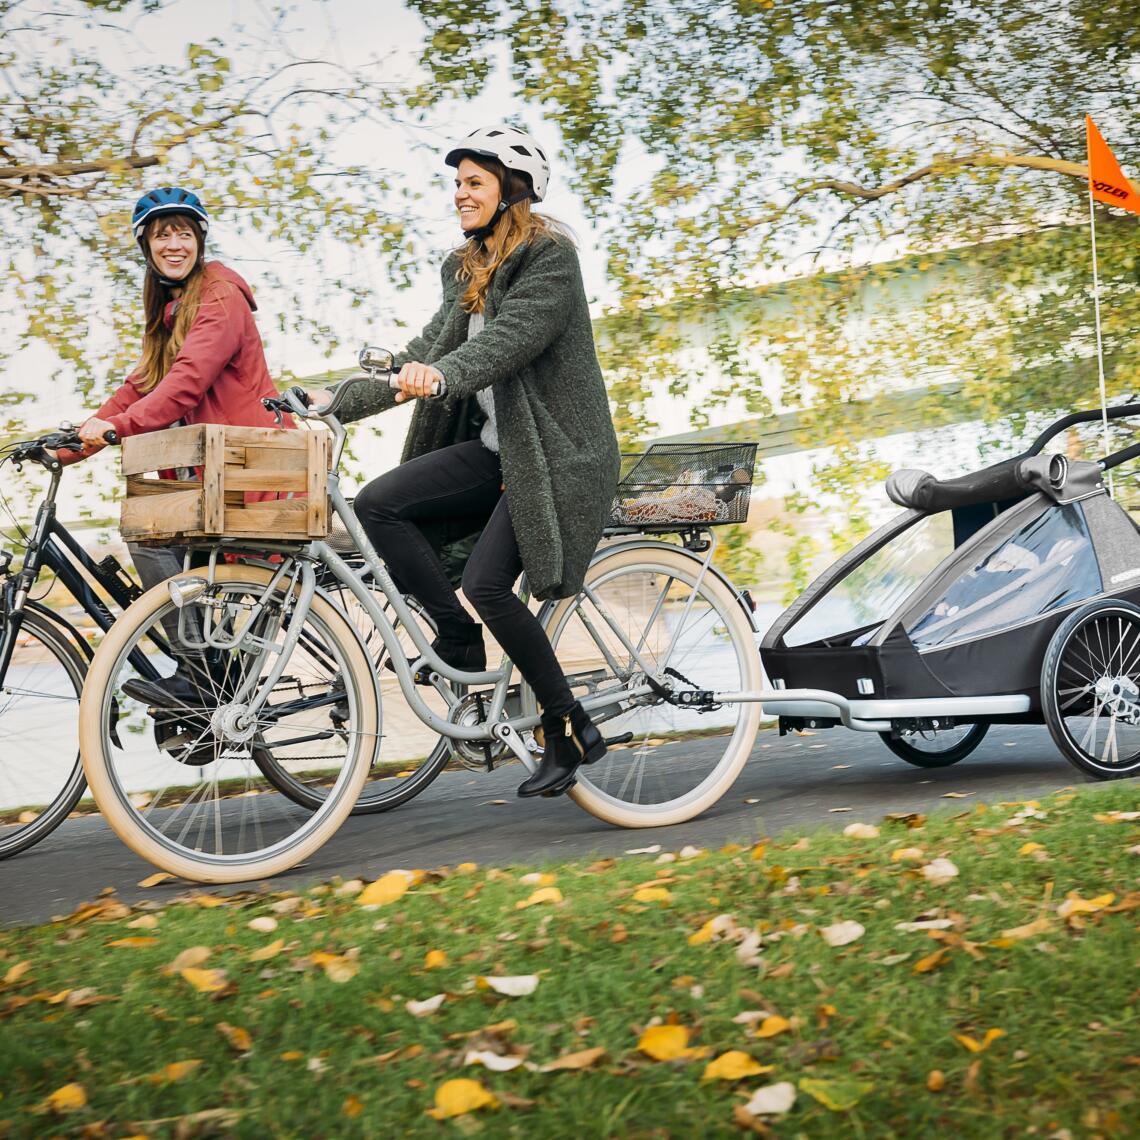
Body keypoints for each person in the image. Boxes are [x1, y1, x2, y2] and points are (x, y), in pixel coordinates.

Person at [321, 124, 621, 798]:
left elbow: (508, 344)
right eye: (457, 184)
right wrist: (327, 399)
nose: (460, 194)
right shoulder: (468, 270)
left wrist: (443, 376)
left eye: (474, 183)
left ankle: (567, 724)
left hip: (556, 456)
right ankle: (456, 637)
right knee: (379, 505)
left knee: (488, 585)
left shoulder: (550, 261)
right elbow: (420, 354)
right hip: (498, 451)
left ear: (513, 188)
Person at [61, 186, 292, 707]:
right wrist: (71, 444)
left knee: (151, 537)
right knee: (154, 533)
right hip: (220, 469)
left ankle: (199, 677)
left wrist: (118, 429)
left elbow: (184, 384)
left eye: (183, 233)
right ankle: (205, 676)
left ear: (199, 241)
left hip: (252, 468)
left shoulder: (219, 298)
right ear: (146, 245)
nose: (173, 244)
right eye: (162, 235)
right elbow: (142, 385)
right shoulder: (173, 309)